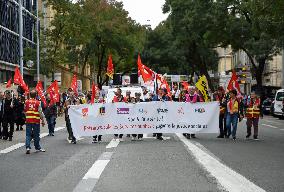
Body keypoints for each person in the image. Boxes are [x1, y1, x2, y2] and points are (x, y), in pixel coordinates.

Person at [25, 90, 46, 154]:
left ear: (30, 95)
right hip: (36, 121)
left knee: (28, 135)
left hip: (28, 120)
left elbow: (25, 110)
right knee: (36, 135)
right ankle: (37, 147)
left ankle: (28, 147)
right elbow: (40, 112)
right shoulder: (38, 102)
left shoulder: (26, 102)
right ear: (36, 95)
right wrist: (42, 120)